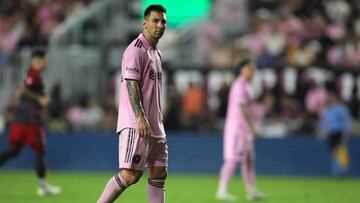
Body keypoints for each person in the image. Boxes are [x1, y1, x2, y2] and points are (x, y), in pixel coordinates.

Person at [97, 4, 168, 203]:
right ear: (144, 22)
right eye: (155, 20)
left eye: (163, 21)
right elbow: (131, 84)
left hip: (155, 127)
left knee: (159, 172)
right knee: (130, 175)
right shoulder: (135, 50)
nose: (160, 25)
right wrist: (140, 117)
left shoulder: (156, 52)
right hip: (138, 125)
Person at [0, 48, 61, 196]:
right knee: (39, 151)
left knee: (13, 151)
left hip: (21, 120)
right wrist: (39, 99)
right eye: (45, 60)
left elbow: (21, 90)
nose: (46, 63)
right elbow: (21, 90)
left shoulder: (31, 74)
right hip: (30, 121)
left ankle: (43, 185)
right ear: (38, 60)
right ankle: (43, 186)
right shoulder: (33, 75)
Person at [216, 59, 265, 201]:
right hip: (236, 128)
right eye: (249, 68)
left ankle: (251, 191)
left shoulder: (246, 85)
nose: (252, 71)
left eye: (253, 68)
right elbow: (243, 109)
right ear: (242, 70)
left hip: (243, 129)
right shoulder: (239, 86)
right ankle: (222, 190)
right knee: (232, 159)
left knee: (248, 159)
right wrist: (253, 128)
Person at [319, 90, 352, 177]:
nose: (331, 99)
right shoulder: (328, 110)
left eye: (332, 98)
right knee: (333, 152)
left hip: (339, 132)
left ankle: (343, 170)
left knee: (341, 150)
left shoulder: (341, 109)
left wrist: (346, 133)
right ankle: (336, 171)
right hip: (331, 133)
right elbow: (324, 122)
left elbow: (346, 121)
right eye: (330, 98)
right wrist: (323, 131)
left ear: (336, 98)